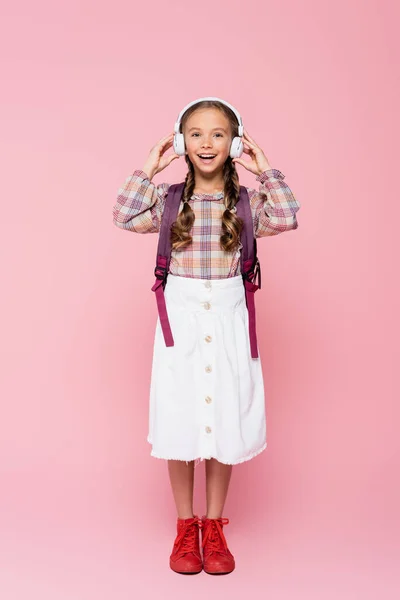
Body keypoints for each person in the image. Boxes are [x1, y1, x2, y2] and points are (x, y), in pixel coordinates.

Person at [112, 97, 301, 575]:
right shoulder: (170, 201)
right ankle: (184, 525)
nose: (206, 143)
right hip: (182, 327)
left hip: (229, 323)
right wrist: (149, 168)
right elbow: (123, 214)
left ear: (235, 143)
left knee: (223, 422)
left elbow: (287, 215)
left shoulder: (247, 204)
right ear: (181, 142)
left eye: (219, 134)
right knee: (181, 421)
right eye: (194, 133)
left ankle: (213, 526)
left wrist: (266, 170)